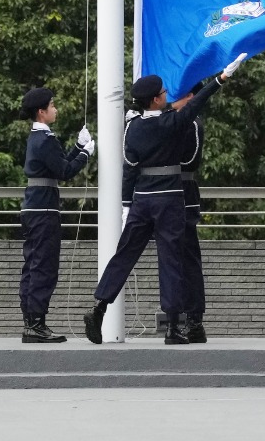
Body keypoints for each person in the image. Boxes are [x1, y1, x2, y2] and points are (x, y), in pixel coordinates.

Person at [84, 54, 245, 345]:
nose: (167, 96)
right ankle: (173, 327)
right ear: (157, 100)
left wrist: (126, 205)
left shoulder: (133, 127)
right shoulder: (172, 123)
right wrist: (221, 78)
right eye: (163, 93)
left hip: (141, 199)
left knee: (124, 255)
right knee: (170, 261)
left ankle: (99, 307)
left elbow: (129, 168)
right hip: (169, 198)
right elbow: (197, 102)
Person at [17, 87, 94, 343]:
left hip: (34, 208)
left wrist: (78, 147)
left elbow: (58, 164)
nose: (55, 109)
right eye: (52, 105)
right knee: (44, 267)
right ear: (41, 112)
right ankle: (36, 324)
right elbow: (65, 172)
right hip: (44, 210)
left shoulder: (38, 137)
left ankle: (31, 321)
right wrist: (85, 154)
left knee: (33, 265)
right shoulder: (45, 139)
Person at [178, 112, 209, 343]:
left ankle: (194, 320)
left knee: (188, 259)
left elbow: (190, 161)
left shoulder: (193, 123)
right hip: (161, 192)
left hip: (184, 194)